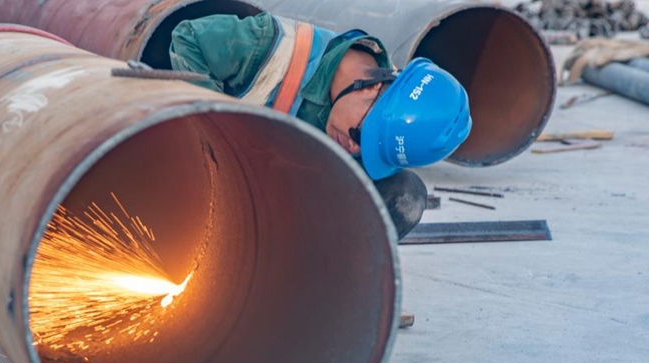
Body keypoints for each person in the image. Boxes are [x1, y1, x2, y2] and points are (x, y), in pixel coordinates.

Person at [169, 12, 472, 239]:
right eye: (360, 136)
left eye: (371, 151)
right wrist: (218, 130)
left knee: (405, 194)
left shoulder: (379, 123)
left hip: (278, 200)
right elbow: (187, 38)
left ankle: (329, 285)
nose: (356, 149)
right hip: (209, 179)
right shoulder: (271, 48)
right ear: (370, 88)